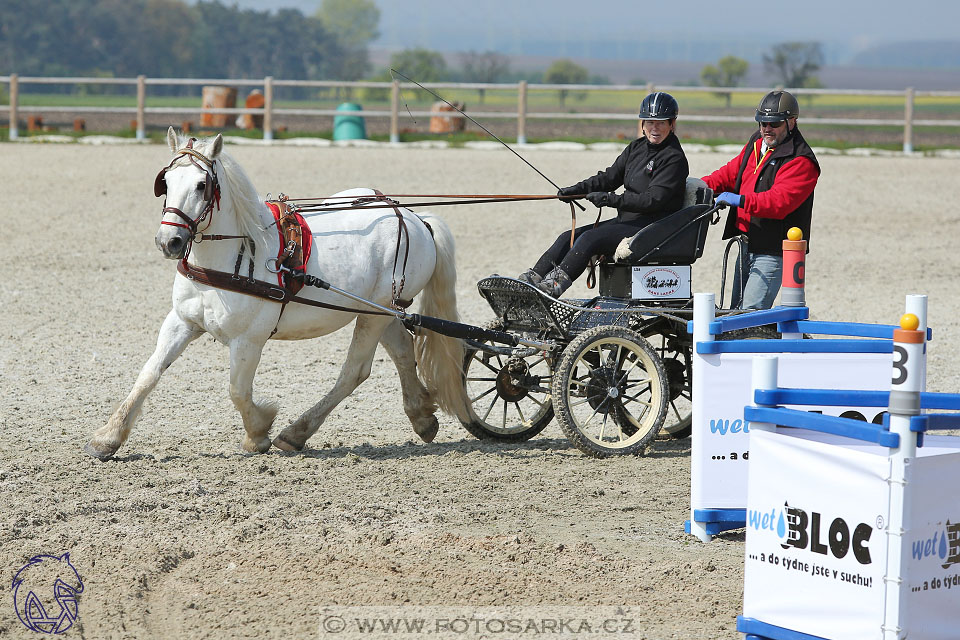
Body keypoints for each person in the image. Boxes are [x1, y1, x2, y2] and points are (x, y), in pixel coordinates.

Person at [517, 92, 689, 298]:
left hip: (651, 228)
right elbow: (608, 178)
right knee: (568, 237)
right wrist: (577, 190)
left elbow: (652, 200)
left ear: (671, 124)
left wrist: (609, 199)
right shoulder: (636, 148)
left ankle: (550, 289)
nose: (655, 128)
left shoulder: (674, 158)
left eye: (661, 123)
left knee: (590, 239)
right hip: (628, 222)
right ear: (643, 123)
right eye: (650, 122)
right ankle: (529, 281)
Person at [702, 90, 820, 309]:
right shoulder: (757, 143)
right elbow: (730, 173)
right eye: (763, 122)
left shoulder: (801, 160)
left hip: (772, 249)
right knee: (736, 314)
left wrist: (740, 200)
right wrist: (698, 187)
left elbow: (779, 203)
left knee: (750, 316)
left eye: (774, 124)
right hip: (747, 242)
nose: (767, 128)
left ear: (791, 122)